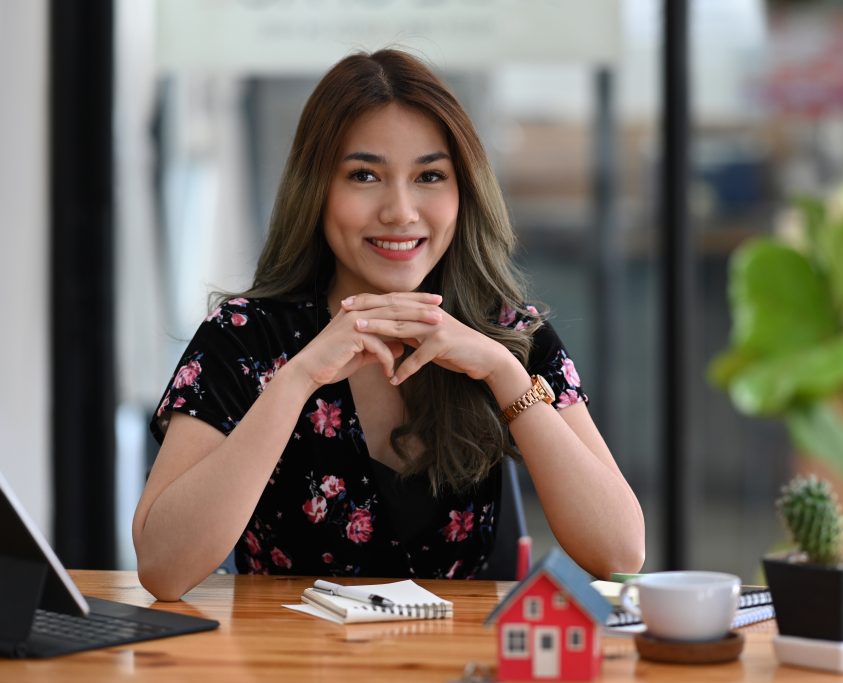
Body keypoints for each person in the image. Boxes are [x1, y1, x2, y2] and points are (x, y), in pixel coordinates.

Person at [133, 49, 645, 601]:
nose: (400, 210)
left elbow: (620, 556)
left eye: (429, 175)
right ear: (316, 189)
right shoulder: (245, 336)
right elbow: (163, 569)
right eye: (364, 175)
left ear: (462, 191)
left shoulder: (509, 336)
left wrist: (503, 374)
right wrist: (298, 378)